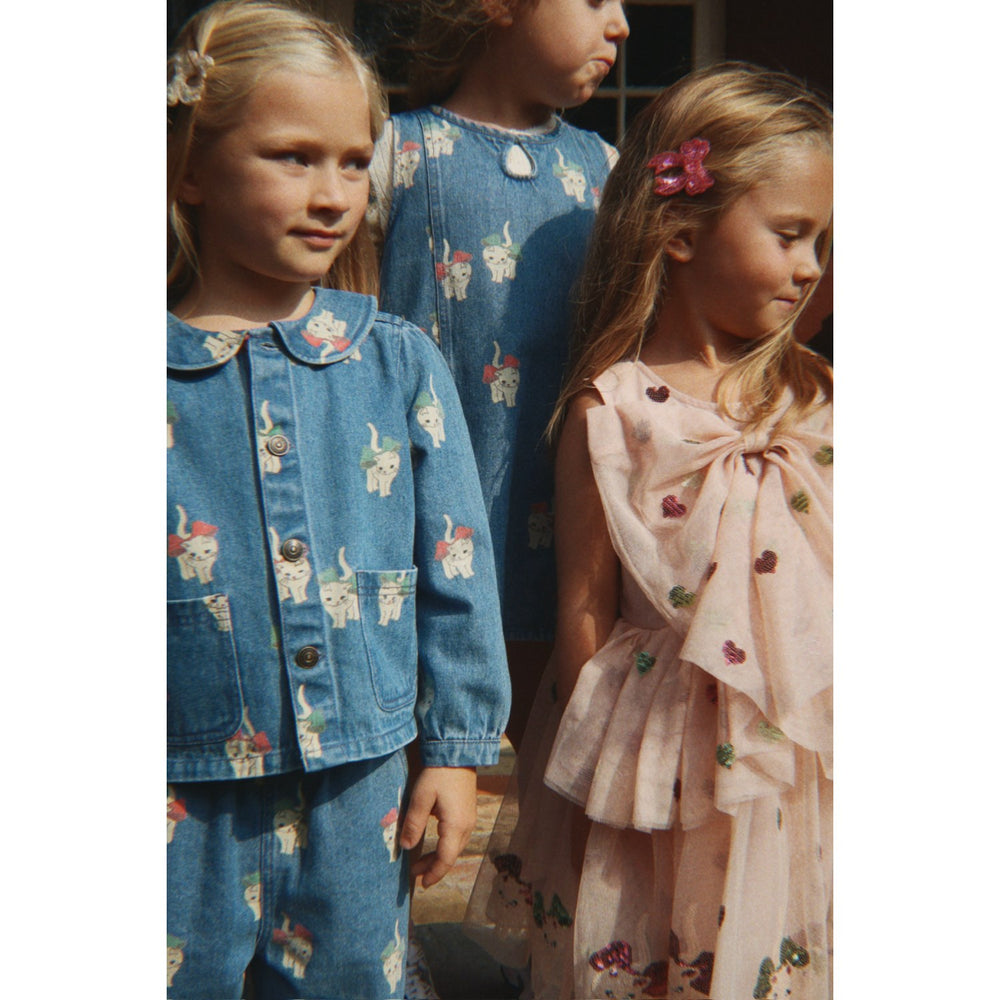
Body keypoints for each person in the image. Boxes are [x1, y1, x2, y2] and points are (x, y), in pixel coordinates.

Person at [465, 63, 834, 999]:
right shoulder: (612, 411)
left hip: (791, 769)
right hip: (659, 762)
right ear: (680, 231)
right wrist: (593, 790)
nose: (810, 267)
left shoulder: (817, 397)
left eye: (822, 242)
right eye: (789, 234)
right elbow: (584, 612)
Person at [166, 3, 510, 997]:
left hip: (360, 794)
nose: (332, 194)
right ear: (190, 168)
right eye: (293, 157)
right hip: (179, 799)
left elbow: (456, 565)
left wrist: (455, 752)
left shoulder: (397, 362)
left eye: (354, 163)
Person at [369, 0, 630, 753]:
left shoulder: (603, 170)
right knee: (424, 750)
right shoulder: (393, 154)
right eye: (595, 0)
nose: (620, 25)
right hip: (427, 514)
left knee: (558, 748)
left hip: (563, 522)